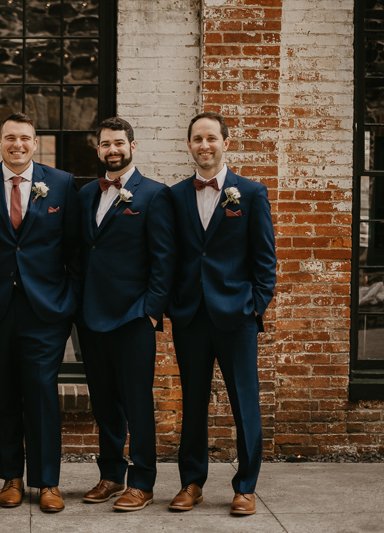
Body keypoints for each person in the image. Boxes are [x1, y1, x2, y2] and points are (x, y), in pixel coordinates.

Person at [0, 112, 81, 513]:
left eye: (25, 138)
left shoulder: (60, 183)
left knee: (42, 393)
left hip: (45, 310)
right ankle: (11, 477)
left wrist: (69, 299)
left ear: (35, 142)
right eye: (10, 138)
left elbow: (74, 249)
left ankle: (47, 482)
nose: (18, 145)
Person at [167, 111, 276, 516]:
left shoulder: (250, 193)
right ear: (189, 145)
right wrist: (172, 306)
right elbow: (171, 255)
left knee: (244, 401)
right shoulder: (175, 196)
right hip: (191, 316)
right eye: (197, 138)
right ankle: (191, 483)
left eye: (211, 138)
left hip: (237, 317)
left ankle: (245, 486)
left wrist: (253, 306)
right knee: (192, 403)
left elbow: (265, 261)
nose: (204, 145)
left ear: (226, 143)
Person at [76, 117, 175, 511]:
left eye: (119, 143)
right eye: (105, 144)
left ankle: (143, 481)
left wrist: (151, 311)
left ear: (133, 146)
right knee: (104, 402)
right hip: (91, 316)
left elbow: (165, 260)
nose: (112, 150)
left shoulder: (154, 195)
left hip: (134, 317)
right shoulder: (85, 193)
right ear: (98, 149)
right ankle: (111, 474)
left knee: (137, 402)